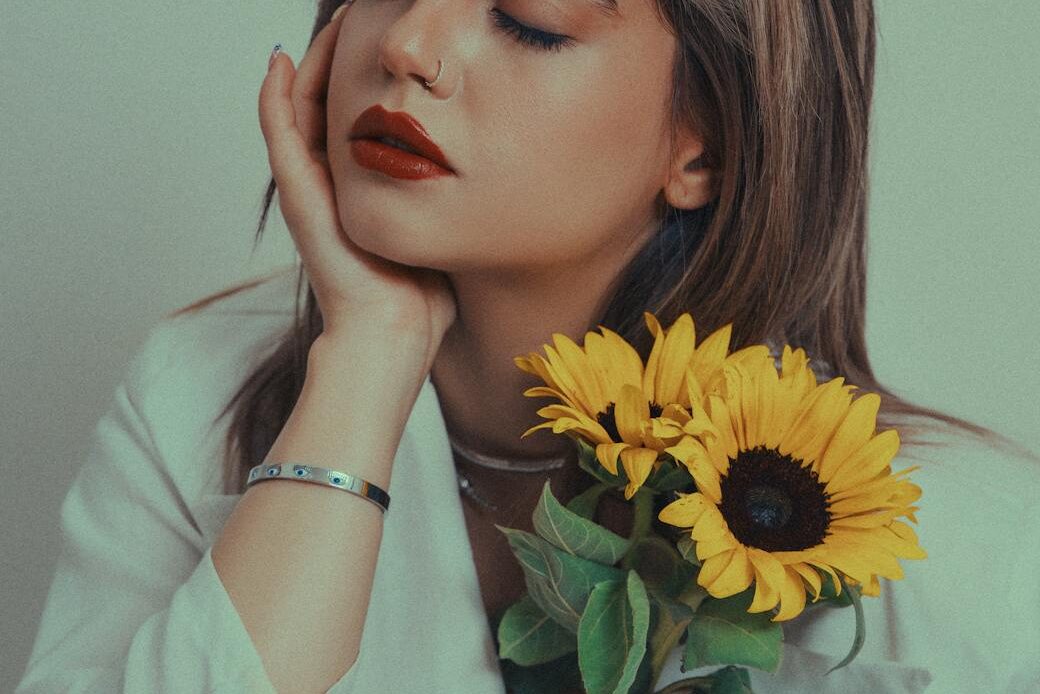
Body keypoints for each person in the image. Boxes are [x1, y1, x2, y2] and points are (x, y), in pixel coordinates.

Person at [15, 0, 1040, 692]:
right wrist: (367, 355)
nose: (410, 42)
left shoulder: (963, 546)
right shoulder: (196, 392)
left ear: (709, 144)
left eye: (528, 21)